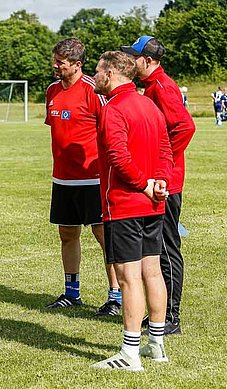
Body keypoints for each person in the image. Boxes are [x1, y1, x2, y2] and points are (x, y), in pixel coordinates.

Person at [91, 51, 173, 372]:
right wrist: (160, 182)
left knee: (128, 278)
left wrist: (143, 184)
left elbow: (118, 155)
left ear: (110, 74)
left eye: (98, 71)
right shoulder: (149, 105)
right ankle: (157, 345)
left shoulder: (114, 107)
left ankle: (130, 352)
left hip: (126, 203)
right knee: (152, 271)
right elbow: (166, 147)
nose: (95, 77)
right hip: (153, 202)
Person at [122, 36, 196, 335]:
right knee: (154, 248)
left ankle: (171, 316)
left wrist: (161, 166)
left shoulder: (162, 88)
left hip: (166, 182)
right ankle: (159, 313)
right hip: (158, 179)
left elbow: (185, 127)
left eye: (135, 57)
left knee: (164, 247)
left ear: (148, 61)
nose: (131, 61)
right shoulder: (151, 87)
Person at [43, 38, 121, 316]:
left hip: (93, 178)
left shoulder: (93, 90)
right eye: (54, 61)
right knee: (67, 233)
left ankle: (115, 296)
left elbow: (112, 130)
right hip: (62, 178)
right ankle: (71, 292)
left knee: (103, 236)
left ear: (77, 65)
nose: (55, 67)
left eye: (60, 63)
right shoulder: (51, 90)